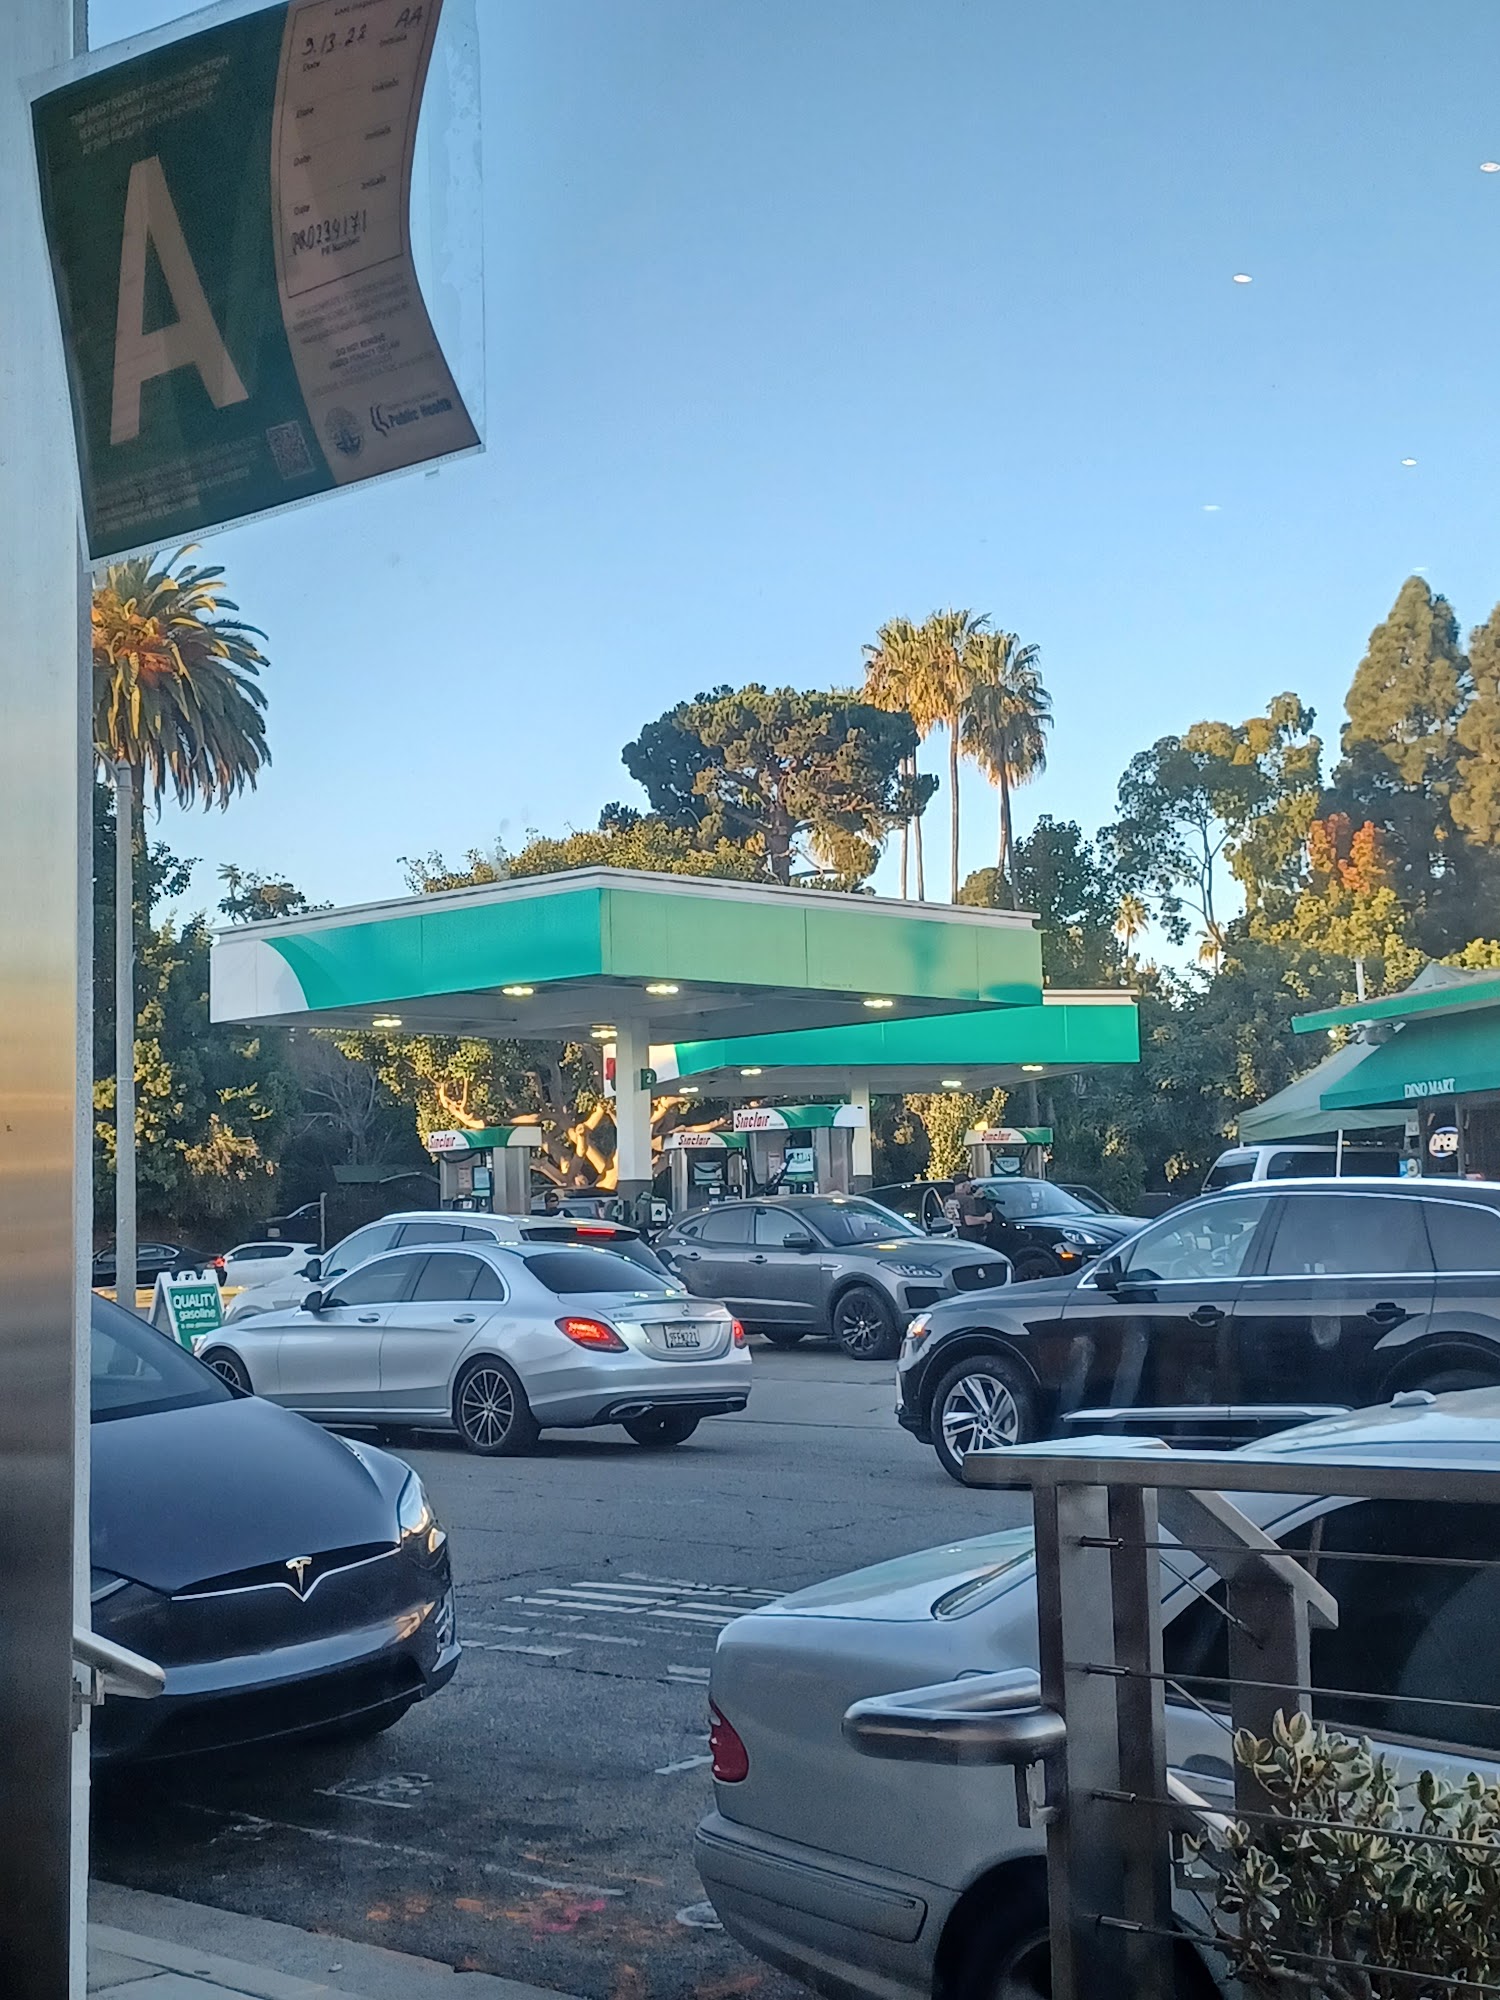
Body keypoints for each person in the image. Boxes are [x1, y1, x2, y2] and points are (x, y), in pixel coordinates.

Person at [951, 1177, 995, 1244]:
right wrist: (985, 1218)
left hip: (954, 1235)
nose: (970, 1188)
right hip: (968, 1238)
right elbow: (969, 1221)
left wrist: (975, 1197)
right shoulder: (968, 1200)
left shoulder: (947, 1199)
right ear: (963, 1186)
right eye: (969, 1186)